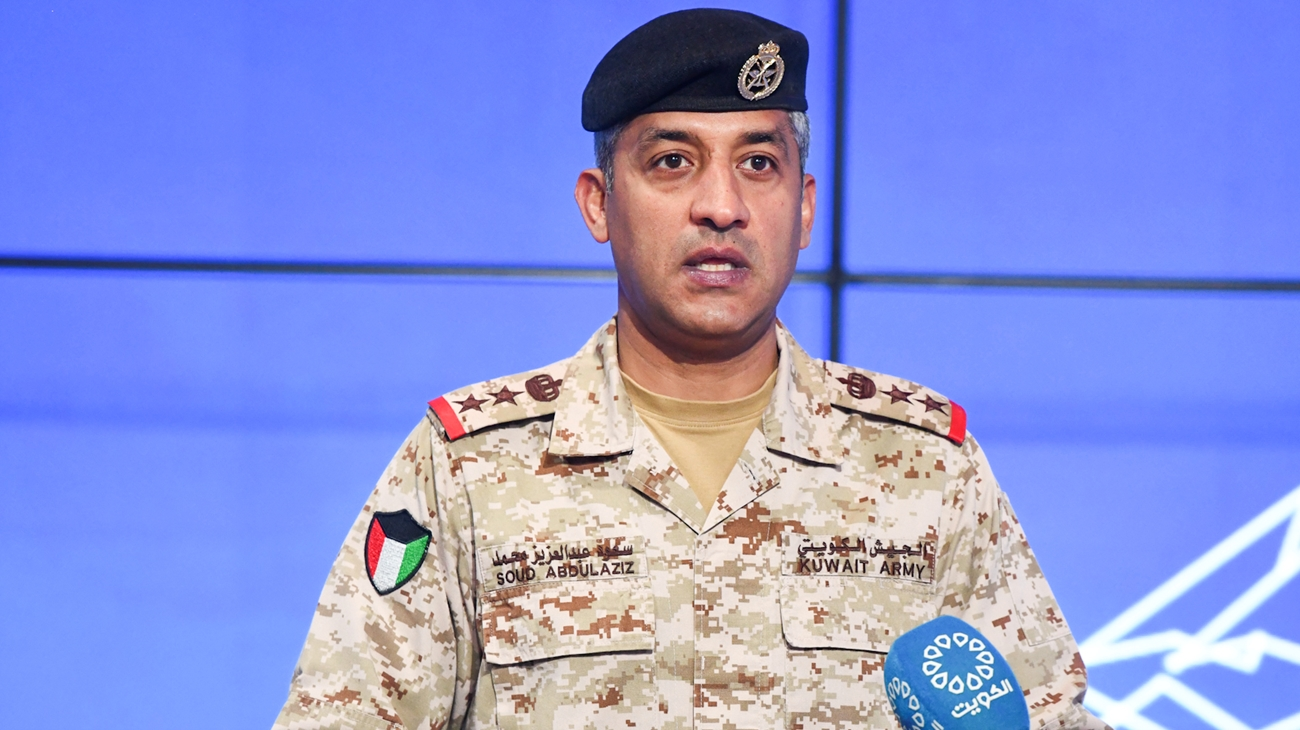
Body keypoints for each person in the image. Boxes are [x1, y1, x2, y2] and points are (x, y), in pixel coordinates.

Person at [274, 9, 1107, 729]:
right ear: (599, 202)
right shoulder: (467, 466)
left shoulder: (925, 466)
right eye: (673, 162)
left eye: (758, 163)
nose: (721, 206)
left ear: (804, 207)